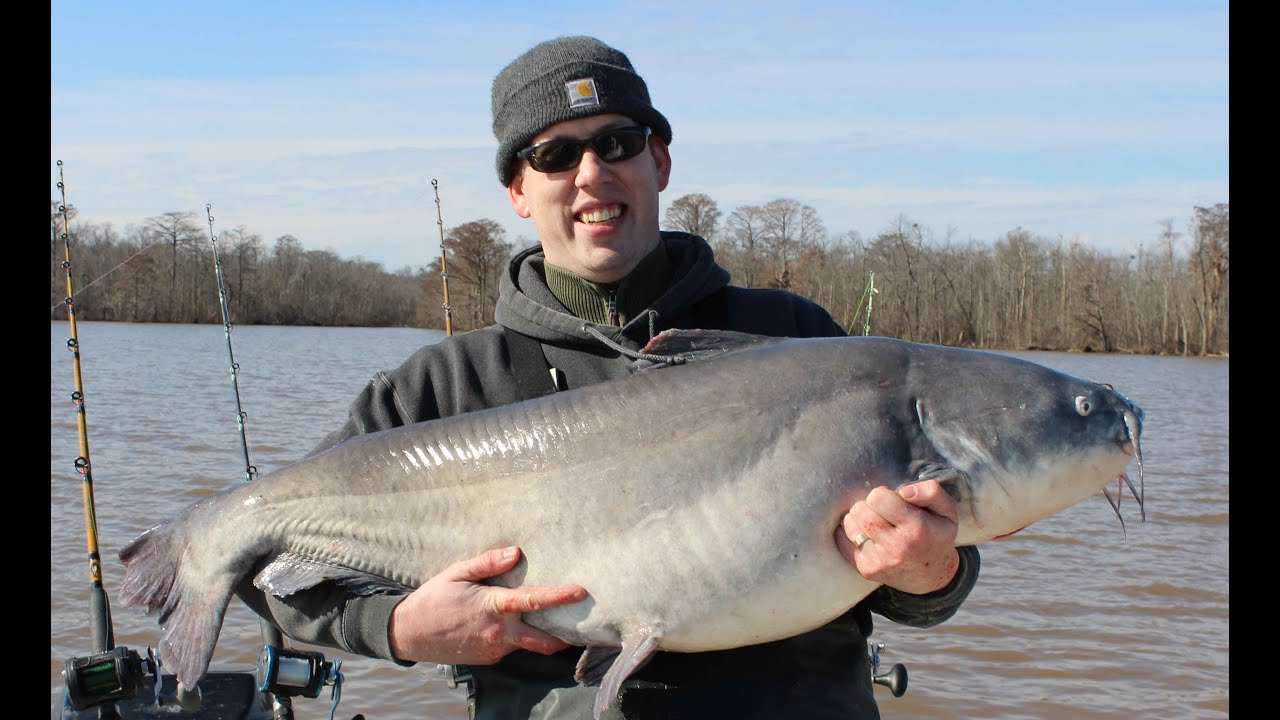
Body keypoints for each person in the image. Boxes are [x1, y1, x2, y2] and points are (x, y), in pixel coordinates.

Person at [238, 35, 980, 719]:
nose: (591, 173)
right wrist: (397, 627)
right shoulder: (441, 389)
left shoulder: (800, 342)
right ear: (519, 191)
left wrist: (930, 573)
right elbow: (254, 556)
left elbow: (932, 580)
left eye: (617, 143)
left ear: (658, 162)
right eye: (555, 156)